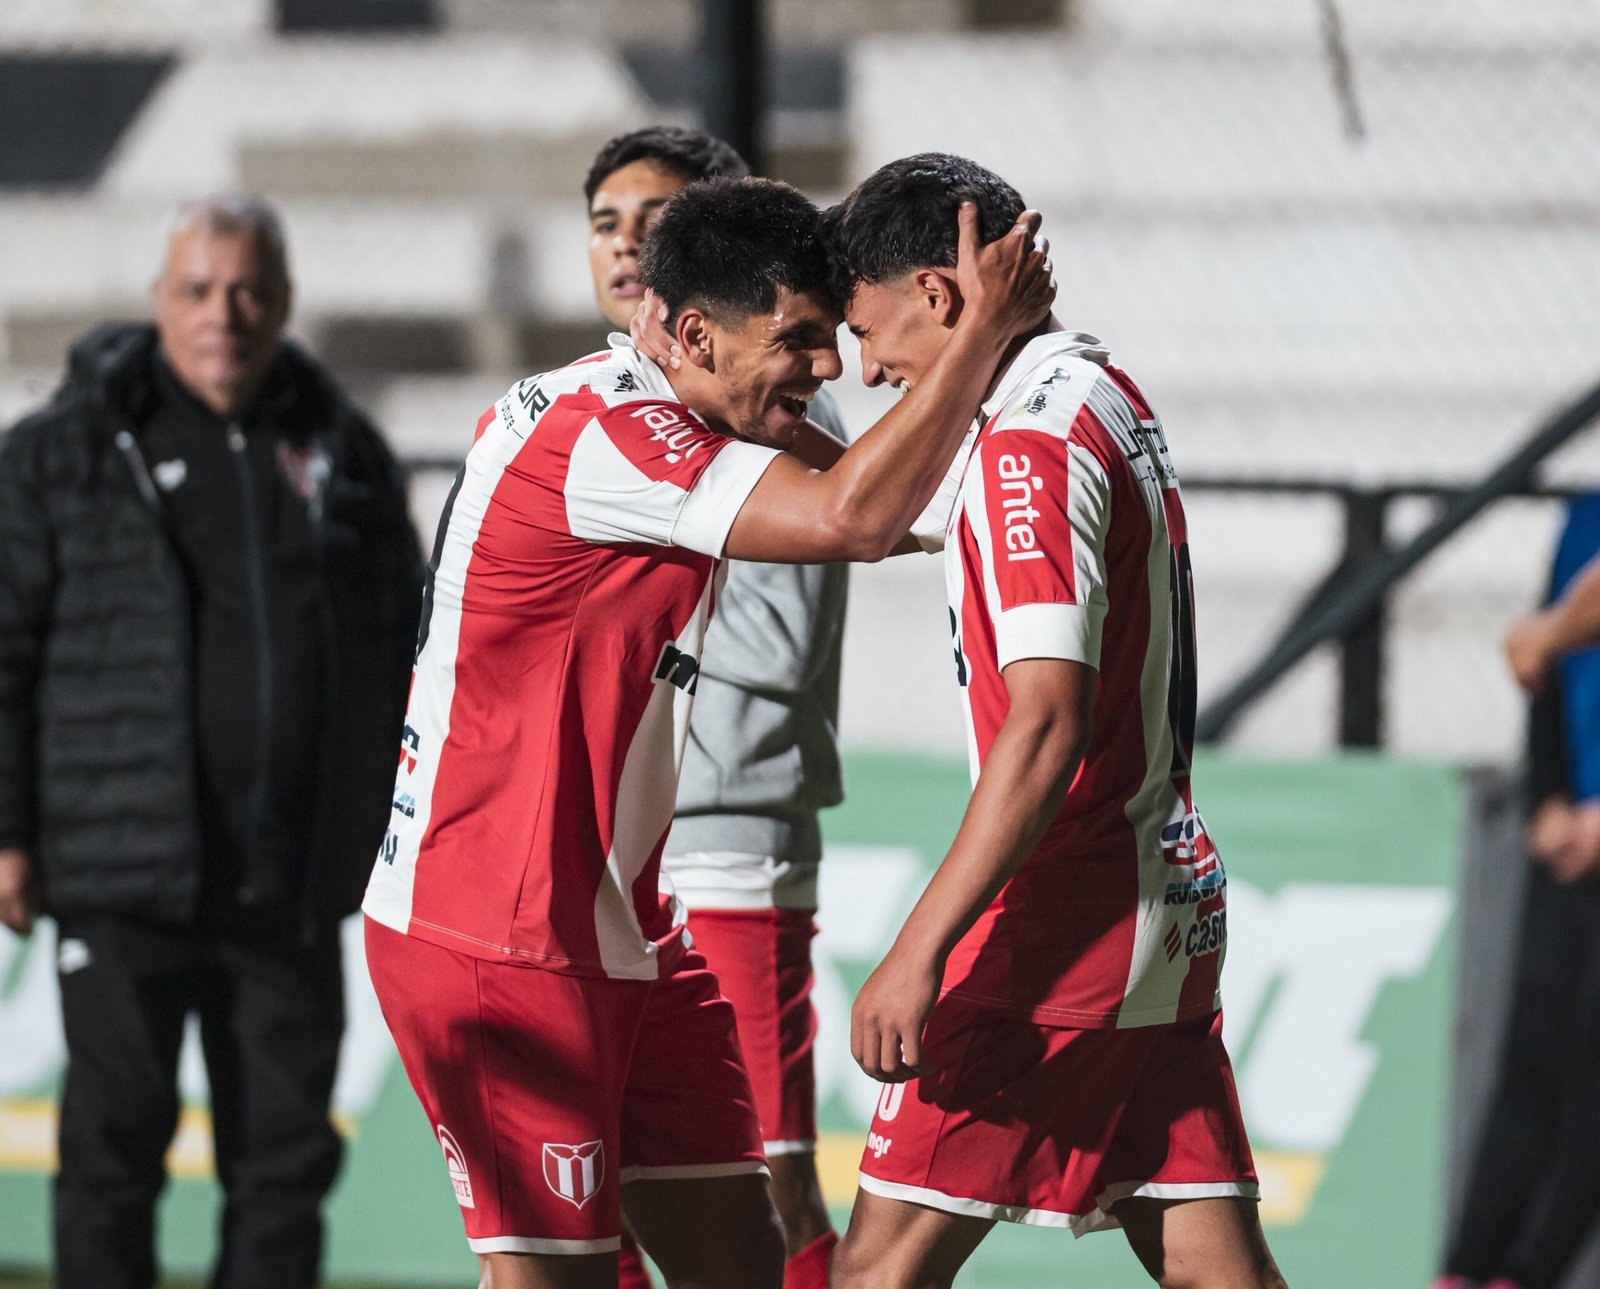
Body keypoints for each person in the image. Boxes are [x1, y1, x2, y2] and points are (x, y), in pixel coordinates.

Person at [360, 175, 1051, 1289]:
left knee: (741, 1257)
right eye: (799, 338)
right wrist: (990, 332)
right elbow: (857, 515)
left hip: (622, 923)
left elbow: (901, 506)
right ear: (691, 332)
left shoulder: (667, 408)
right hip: (499, 935)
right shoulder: (606, 436)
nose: (828, 369)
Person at [814, 154, 1286, 1289]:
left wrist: (918, 949)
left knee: (876, 1270)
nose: (867, 368)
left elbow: (1043, 723)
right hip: (1161, 894)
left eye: (867, 329)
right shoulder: (1100, 394)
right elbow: (862, 506)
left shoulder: (1028, 444)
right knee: (1216, 1264)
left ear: (939, 295)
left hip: (1059, 917)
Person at [0, 195, 421, 1289]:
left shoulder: (350, 456)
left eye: (246, 291)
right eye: (198, 289)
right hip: (120, 875)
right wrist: (7, 829)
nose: (222, 314)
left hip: (287, 880)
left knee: (282, 1165)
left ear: (282, 302)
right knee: (112, 1149)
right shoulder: (58, 456)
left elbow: (405, 650)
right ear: (157, 301)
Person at [583, 125, 847, 1289]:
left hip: (730, 837)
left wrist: (629, 660)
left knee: (769, 1178)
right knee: (602, 1182)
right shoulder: (589, 413)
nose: (632, 245)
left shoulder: (782, 425)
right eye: (608, 223)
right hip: (610, 858)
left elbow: (778, 648)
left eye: (661, 220)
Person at [1433, 497, 1600, 1289]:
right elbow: (1543, 669)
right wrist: (1551, 799)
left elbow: (1540, 640)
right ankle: (1470, 1268)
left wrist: (1544, 631)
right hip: (1571, 829)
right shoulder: (1584, 518)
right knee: (1533, 1048)